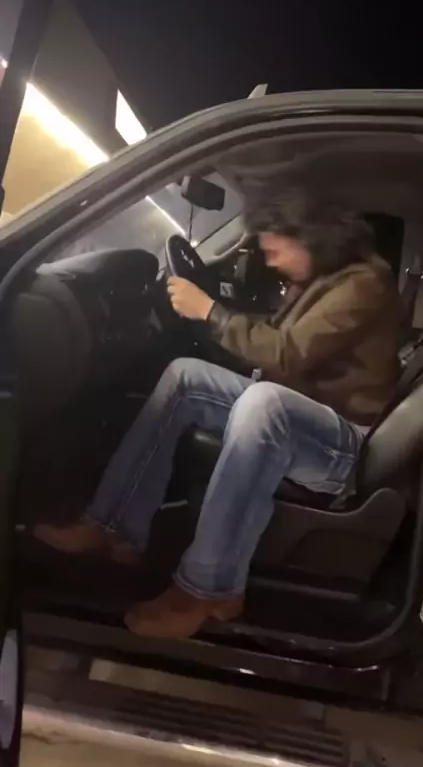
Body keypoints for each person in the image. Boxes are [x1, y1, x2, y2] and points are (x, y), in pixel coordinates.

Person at [35, 186, 403, 639]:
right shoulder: (326, 278)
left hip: (343, 441)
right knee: (184, 375)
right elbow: (276, 335)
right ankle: (114, 526)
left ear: (308, 237)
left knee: (264, 402)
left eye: (275, 251)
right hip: (306, 413)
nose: (271, 262)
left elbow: (286, 353)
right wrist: (221, 315)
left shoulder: (365, 283)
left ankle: (210, 588)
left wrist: (210, 310)